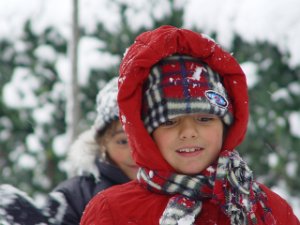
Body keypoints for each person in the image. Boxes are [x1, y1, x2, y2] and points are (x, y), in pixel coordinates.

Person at [80, 26, 299, 225]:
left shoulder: (266, 209)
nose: (188, 132)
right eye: (169, 121)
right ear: (146, 132)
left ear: (226, 125)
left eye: (204, 119)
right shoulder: (111, 212)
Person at [51, 76, 138, 225]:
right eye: (122, 141)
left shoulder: (182, 189)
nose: (135, 153)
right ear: (102, 143)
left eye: (143, 139)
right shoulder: (73, 197)